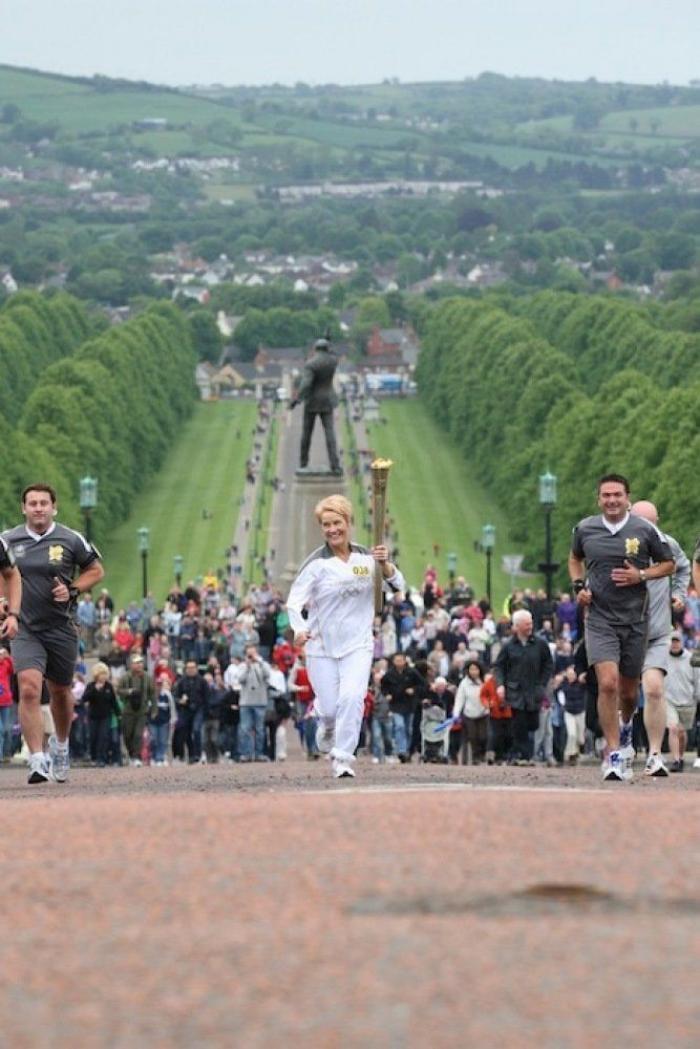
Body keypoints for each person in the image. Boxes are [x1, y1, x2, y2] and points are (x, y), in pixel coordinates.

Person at [287, 494, 404, 779]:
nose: (332, 529)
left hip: (358, 644)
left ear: (348, 523)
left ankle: (342, 759)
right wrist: (299, 629)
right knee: (330, 709)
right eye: (326, 524)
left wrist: (385, 564)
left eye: (337, 522)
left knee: (352, 698)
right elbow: (294, 602)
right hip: (321, 647)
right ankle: (325, 723)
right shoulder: (316, 564)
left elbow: (396, 585)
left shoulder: (367, 557)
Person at [568, 474, 673, 781]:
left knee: (629, 691)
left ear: (628, 497)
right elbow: (575, 559)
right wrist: (578, 587)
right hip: (600, 618)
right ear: (598, 499)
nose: (611, 500)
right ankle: (613, 754)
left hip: (634, 619)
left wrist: (640, 575)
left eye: (617, 495)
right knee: (608, 683)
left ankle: (626, 730)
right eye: (606, 495)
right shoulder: (585, 528)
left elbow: (668, 564)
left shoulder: (643, 529)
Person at [2, 484, 104, 784]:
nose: (38, 508)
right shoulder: (8, 540)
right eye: (32, 503)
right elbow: (4, 574)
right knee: (30, 687)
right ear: (23, 508)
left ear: (54, 507)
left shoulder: (70, 539)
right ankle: (36, 758)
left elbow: (96, 571)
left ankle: (60, 745)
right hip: (24, 626)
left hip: (61, 625)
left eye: (44, 503)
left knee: (60, 690)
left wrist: (72, 589)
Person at [629, 500, 690, 777]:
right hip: (623, 630)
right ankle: (623, 743)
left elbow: (683, 568)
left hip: (656, 630)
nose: (647, 530)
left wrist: (678, 594)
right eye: (642, 524)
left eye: (651, 524)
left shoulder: (668, 545)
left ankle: (654, 754)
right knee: (625, 694)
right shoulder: (620, 543)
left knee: (654, 690)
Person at [494, 609, 553, 765]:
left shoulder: (541, 644)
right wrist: (500, 685)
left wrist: (542, 683)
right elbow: (499, 667)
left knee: (533, 723)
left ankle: (517, 752)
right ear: (517, 626)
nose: (530, 626)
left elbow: (548, 664)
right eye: (527, 624)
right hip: (515, 691)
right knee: (518, 723)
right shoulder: (508, 646)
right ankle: (524, 756)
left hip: (534, 690)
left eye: (531, 623)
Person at [289, 337, 342, 476]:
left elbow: (306, 384)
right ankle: (335, 464)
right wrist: (330, 347)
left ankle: (303, 463)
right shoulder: (333, 362)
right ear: (327, 349)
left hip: (312, 401)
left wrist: (297, 399)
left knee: (307, 433)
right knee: (330, 433)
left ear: (315, 349)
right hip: (327, 400)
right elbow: (335, 355)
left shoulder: (311, 364)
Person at [664, 632, 700, 772]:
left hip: (687, 700)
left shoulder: (691, 658)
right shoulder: (664, 658)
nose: (674, 644)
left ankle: (681, 756)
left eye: (677, 641)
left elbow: (697, 679)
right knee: (673, 728)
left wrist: (697, 696)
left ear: (682, 642)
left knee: (682, 733)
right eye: (672, 641)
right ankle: (676, 759)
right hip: (669, 700)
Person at [118, 653, 155, 767]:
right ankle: (131, 754)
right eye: (136, 663)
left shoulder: (147, 677)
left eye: (141, 663)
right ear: (131, 664)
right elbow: (119, 690)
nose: (139, 665)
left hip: (142, 711)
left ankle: (137, 756)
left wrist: (154, 710)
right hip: (128, 711)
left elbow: (152, 694)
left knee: (138, 735)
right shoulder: (125, 677)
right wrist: (129, 691)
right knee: (128, 735)